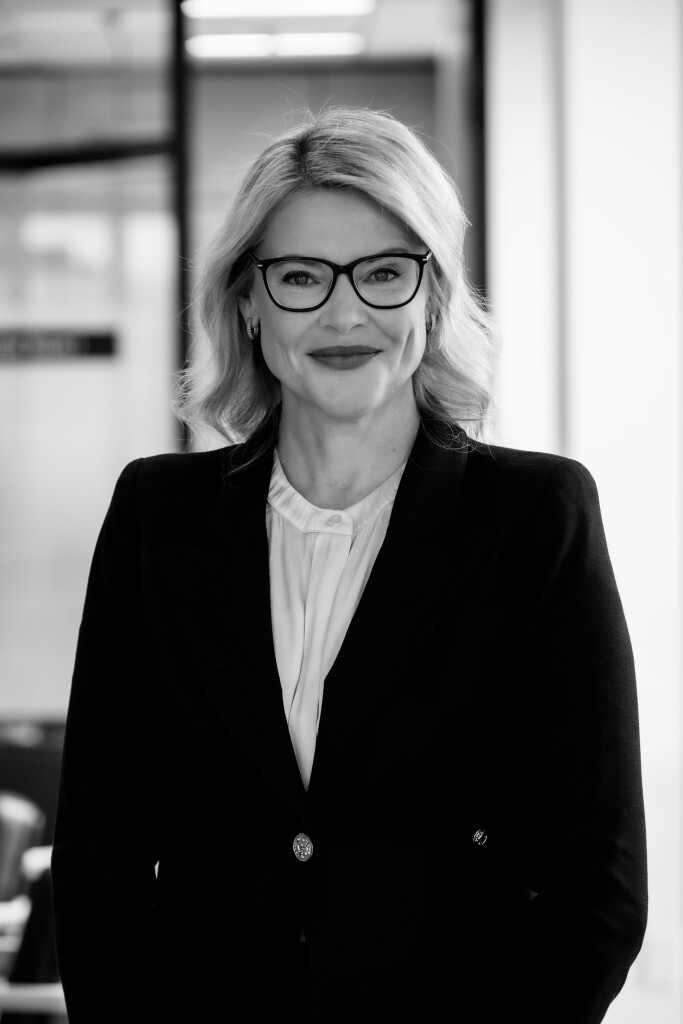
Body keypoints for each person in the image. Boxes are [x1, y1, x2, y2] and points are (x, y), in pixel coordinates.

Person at [52, 106, 647, 1024]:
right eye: (299, 276)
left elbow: (595, 877)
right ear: (246, 302)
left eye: (382, 273)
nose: (343, 313)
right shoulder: (155, 515)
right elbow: (100, 857)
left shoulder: (533, 515)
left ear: (432, 297)